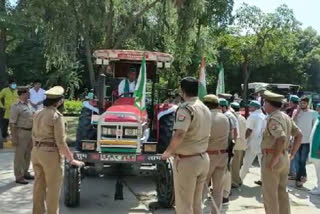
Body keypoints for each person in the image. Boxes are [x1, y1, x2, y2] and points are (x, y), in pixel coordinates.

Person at [161, 77, 211, 214]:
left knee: (184, 205)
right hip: (203, 158)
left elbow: (180, 134)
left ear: (183, 92)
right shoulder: (204, 107)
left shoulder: (186, 108)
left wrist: (168, 152)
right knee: (196, 204)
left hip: (187, 161)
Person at [31, 86, 84, 214]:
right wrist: (71, 159)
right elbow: (60, 142)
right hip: (50, 154)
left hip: (36, 152)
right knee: (53, 189)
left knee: (39, 186)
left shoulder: (38, 113)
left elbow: (32, 134)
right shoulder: (56, 116)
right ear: (59, 101)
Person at [261, 90, 302, 214]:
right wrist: (292, 154)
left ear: (268, 103)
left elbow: (281, 137)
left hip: (273, 156)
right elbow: (299, 135)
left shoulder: (274, 118)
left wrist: (275, 158)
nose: (263, 105)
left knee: (270, 194)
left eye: (265, 102)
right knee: (282, 192)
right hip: (283, 157)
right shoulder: (285, 116)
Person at [202, 94, 230, 213]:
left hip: (208, 156)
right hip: (222, 155)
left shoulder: (205, 117)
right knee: (218, 189)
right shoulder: (225, 117)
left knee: (201, 188)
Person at [9, 86, 34, 184]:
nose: (30, 94)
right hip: (21, 132)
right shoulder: (16, 106)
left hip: (30, 132)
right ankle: (18, 176)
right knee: (19, 156)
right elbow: (12, 123)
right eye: (28, 93)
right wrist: (14, 137)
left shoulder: (28, 104)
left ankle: (25, 172)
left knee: (28, 154)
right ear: (23, 94)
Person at [292, 96, 317, 187]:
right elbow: (292, 123)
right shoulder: (296, 112)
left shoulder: (313, 113)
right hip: (296, 139)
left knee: (302, 160)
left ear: (307, 103)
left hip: (307, 141)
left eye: (304, 103)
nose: (302, 105)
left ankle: (300, 178)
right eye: (301, 103)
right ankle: (301, 178)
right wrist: (297, 113)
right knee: (297, 160)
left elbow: (314, 126)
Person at [240, 100, 266, 185]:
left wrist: (243, 140)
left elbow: (249, 130)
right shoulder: (264, 116)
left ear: (254, 107)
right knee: (262, 163)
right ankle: (263, 179)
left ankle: (239, 179)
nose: (249, 108)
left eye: (250, 106)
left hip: (253, 142)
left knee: (246, 163)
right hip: (262, 142)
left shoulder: (253, 116)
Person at [219, 98, 239, 205]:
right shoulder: (231, 115)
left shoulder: (227, 116)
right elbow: (236, 133)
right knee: (226, 170)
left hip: (227, 145)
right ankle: (225, 193)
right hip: (230, 144)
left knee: (226, 171)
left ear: (223, 107)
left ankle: (225, 195)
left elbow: (233, 132)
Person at [230, 102, 247, 188]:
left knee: (234, 166)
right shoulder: (242, 118)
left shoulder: (233, 117)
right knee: (238, 164)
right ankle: (238, 179)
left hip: (236, 145)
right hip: (242, 145)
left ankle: (235, 182)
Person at [309, 113, 320, 195]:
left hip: (318, 151)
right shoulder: (318, 118)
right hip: (315, 149)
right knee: (317, 169)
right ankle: (318, 185)